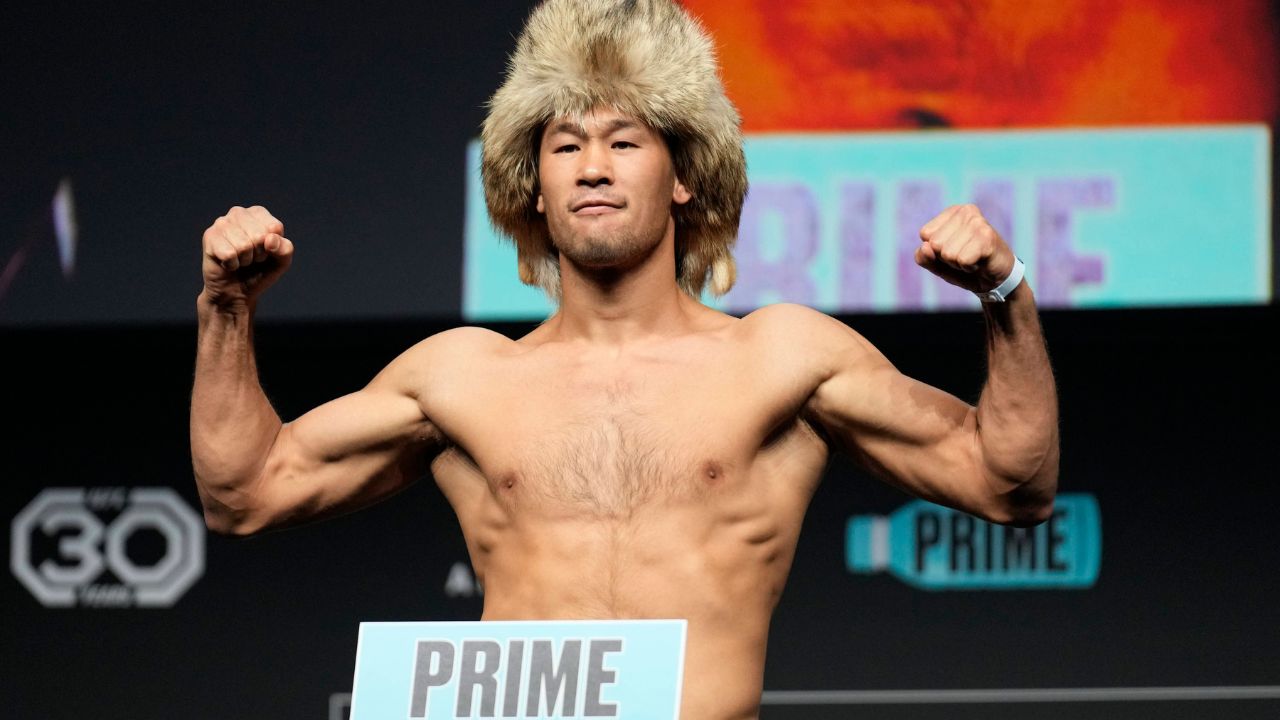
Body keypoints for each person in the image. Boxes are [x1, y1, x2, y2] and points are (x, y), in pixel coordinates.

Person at [190, 1, 1058, 718]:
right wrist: (227, 309)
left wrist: (1005, 293)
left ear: (684, 176)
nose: (593, 167)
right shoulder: (460, 377)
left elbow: (1008, 483)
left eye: (626, 142)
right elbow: (245, 492)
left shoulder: (781, 358)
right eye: (565, 146)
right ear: (532, 184)